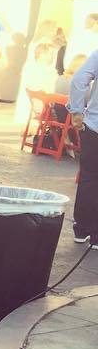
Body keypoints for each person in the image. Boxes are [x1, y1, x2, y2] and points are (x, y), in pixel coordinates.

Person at [68, 50, 98, 246]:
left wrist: (77, 111)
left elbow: (79, 80)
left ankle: (81, 229)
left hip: (94, 125)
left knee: (88, 177)